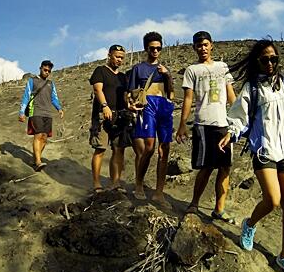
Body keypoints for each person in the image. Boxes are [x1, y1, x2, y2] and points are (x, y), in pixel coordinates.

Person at [218, 39, 284, 272]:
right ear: (257, 61)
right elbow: (239, 115)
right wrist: (231, 132)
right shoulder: (252, 87)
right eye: (264, 59)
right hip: (264, 150)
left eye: (273, 58)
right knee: (273, 200)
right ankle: (250, 224)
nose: (270, 63)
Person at [176, 31, 237, 222]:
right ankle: (194, 203)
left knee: (225, 167)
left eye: (205, 44)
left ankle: (219, 209)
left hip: (223, 124)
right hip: (203, 123)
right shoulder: (192, 70)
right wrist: (182, 125)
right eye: (198, 45)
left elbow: (231, 95)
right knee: (207, 166)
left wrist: (239, 119)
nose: (202, 48)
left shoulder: (222, 67)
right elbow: (188, 98)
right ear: (194, 48)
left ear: (212, 45)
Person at [127, 32, 174, 206]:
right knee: (149, 147)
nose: (155, 51)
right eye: (152, 48)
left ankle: (159, 192)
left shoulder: (164, 69)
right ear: (146, 48)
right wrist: (130, 105)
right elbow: (130, 93)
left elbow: (172, 93)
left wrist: (168, 75)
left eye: (158, 48)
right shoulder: (138, 69)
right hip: (148, 108)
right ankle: (139, 184)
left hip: (164, 107)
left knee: (165, 149)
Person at [89, 45, 132, 193]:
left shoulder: (123, 77)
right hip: (103, 115)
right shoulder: (100, 70)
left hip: (119, 116)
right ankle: (96, 183)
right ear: (109, 55)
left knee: (118, 149)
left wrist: (130, 107)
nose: (119, 60)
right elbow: (97, 89)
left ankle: (115, 182)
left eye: (121, 57)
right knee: (100, 149)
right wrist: (105, 106)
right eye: (116, 56)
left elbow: (125, 96)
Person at [18, 60, 64, 171]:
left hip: (48, 114)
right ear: (40, 68)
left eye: (49, 71)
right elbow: (26, 96)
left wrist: (59, 109)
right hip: (36, 112)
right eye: (45, 70)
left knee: (44, 137)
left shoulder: (50, 84)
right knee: (38, 135)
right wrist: (22, 112)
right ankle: (38, 161)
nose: (47, 72)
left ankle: (35, 158)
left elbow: (54, 98)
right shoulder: (32, 81)